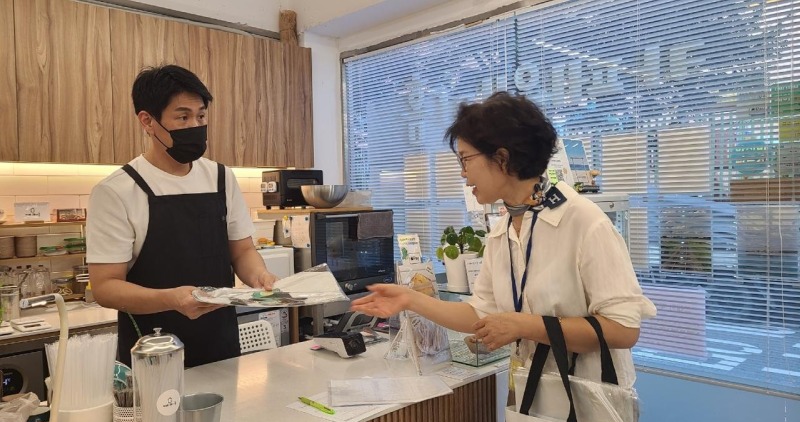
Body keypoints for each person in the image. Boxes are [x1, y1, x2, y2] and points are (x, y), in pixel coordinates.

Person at [351, 91, 656, 390]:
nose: (462, 174)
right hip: (530, 393)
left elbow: (623, 329)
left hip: (591, 402)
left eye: (466, 159)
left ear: (502, 158)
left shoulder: (584, 221)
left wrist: (523, 326)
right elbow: (480, 312)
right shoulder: (504, 230)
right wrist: (411, 299)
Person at [87, 65, 277, 368]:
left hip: (221, 346)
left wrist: (259, 277)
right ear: (148, 121)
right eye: (183, 116)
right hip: (151, 351)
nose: (195, 125)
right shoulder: (117, 190)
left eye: (201, 116)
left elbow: (242, 250)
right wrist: (172, 299)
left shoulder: (220, 177)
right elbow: (105, 286)